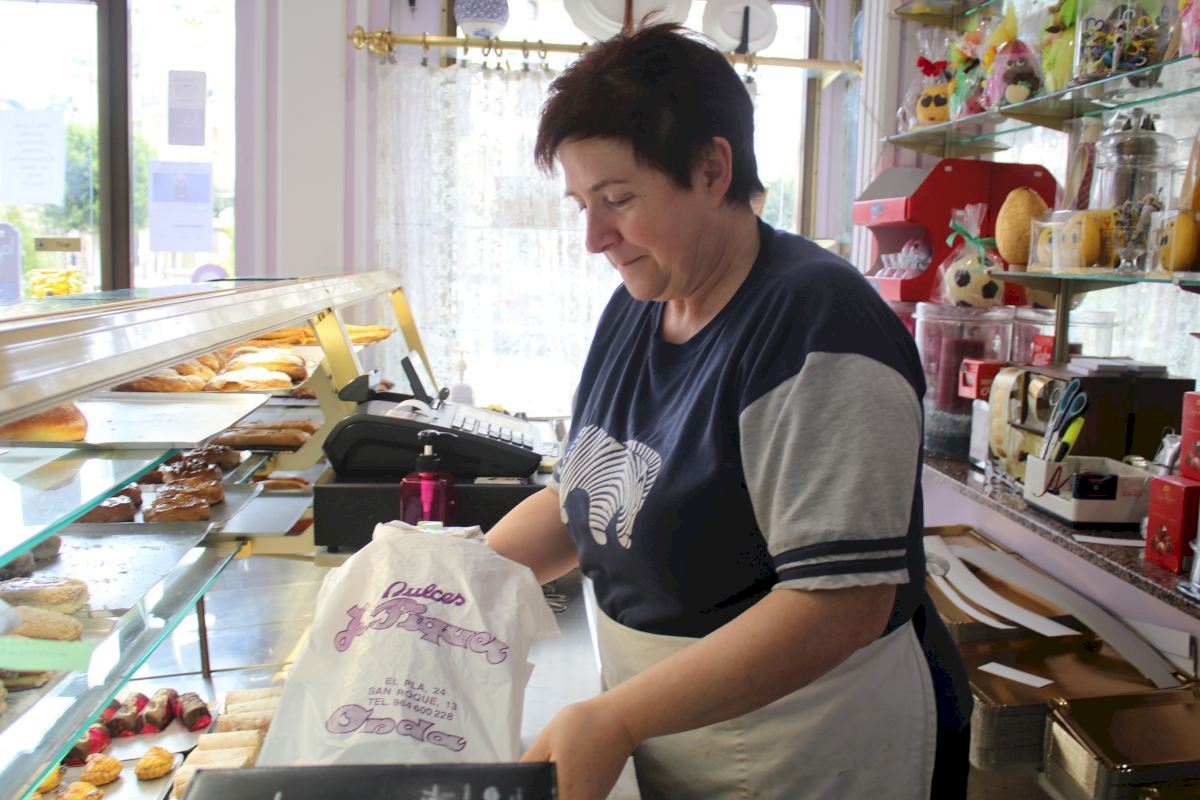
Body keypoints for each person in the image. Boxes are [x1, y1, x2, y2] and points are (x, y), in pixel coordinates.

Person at [485, 23, 971, 800]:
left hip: (812, 745)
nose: (595, 237)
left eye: (617, 200)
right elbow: (588, 493)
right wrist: (458, 579)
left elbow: (839, 606)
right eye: (582, 204)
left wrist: (616, 719)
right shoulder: (641, 305)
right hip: (682, 729)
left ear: (713, 169)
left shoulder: (816, 326)